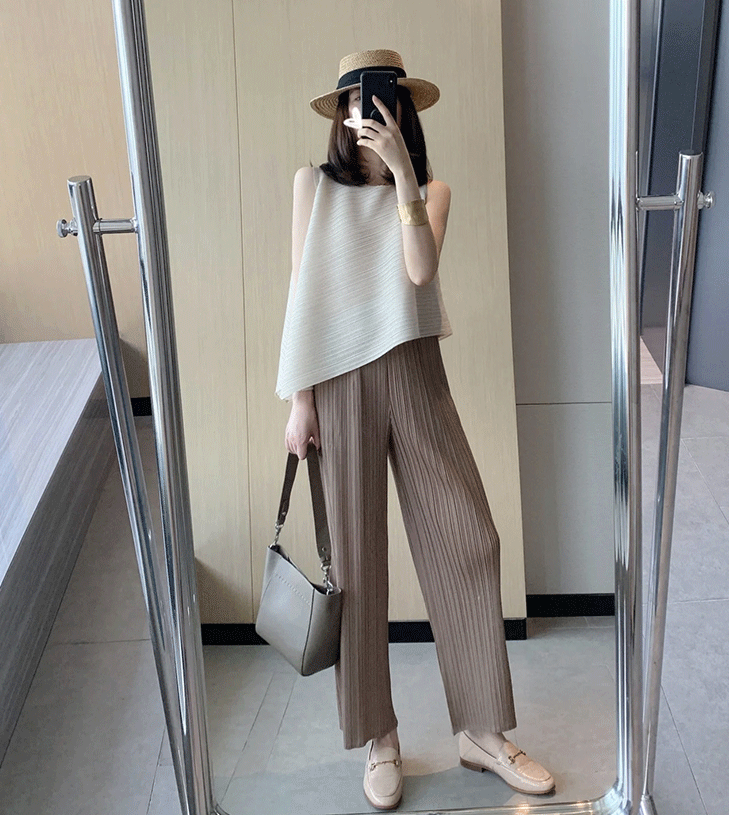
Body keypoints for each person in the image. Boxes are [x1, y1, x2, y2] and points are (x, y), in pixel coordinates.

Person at [275, 50, 554, 809]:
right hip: (338, 378)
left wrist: (401, 174)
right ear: (340, 113)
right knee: (356, 563)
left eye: (382, 99)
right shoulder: (311, 187)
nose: (366, 113)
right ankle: (380, 738)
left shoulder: (431, 190)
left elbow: (420, 272)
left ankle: (481, 732)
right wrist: (299, 399)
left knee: (470, 538)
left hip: (415, 371)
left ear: (404, 109)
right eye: (354, 102)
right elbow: (302, 293)